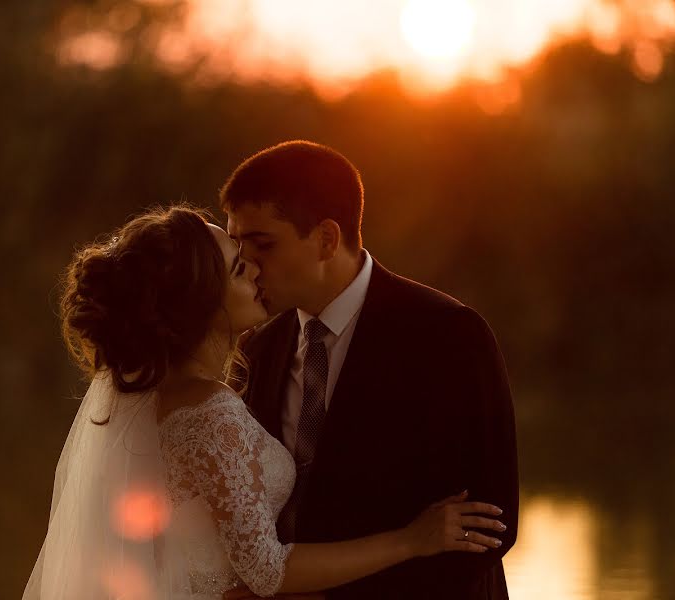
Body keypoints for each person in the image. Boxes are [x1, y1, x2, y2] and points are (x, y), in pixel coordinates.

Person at [23, 206, 506, 600]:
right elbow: (267, 572)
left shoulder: (159, 398)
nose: (255, 269)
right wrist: (411, 540)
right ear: (202, 303)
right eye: (238, 267)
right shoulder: (210, 412)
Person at [221, 141, 519, 599]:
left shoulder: (450, 335)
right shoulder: (257, 349)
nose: (250, 267)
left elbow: (488, 525)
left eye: (263, 245)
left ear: (325, 238)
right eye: (238, 247)